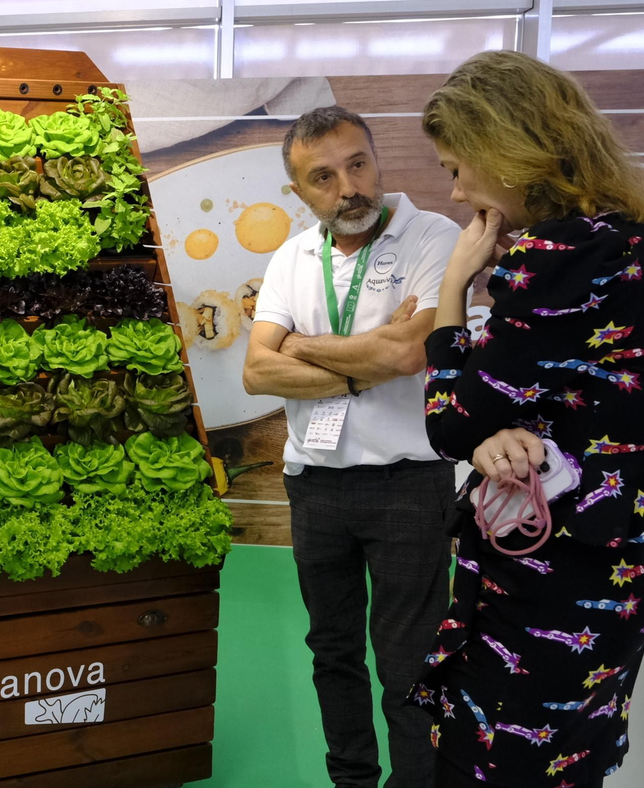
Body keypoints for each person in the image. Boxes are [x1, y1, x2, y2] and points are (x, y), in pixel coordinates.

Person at [411, 51, 644, 788]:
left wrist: (453, 284)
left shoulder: (557, 252)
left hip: (551, 575)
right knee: (570, 766)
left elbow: (450, 422)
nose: (457, 190)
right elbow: (560, 395)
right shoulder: (635, 241)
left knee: (493, 768)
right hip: (617, 558)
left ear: (505, 149)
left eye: (457, 168)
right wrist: (498, 428)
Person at [244, 106, 462, 788]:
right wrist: (362, 360)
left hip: (410, 483)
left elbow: (409, 353)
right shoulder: (291, 256)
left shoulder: (434, 234)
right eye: (324, 177)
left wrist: (298, 343)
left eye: (357, 163)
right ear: (299, 191)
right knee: (332, 654)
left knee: (409, 663)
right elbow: (256, 372)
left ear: (375, 158)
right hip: (314, 484)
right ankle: (352, 782)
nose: (349, 187)